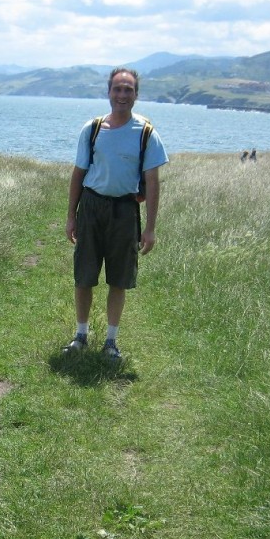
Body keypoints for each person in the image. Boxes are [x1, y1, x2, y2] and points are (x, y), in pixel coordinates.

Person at [63, 67, 169, 359]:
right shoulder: (93, 129)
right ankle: (81, 335)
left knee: (119, 279)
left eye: (129, 90)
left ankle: (111, 342)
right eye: (118, 89)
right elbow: (78, 173)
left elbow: (152, 181)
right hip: (92, 206)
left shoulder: (146, 133)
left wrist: (150, 228)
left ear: (136, 95)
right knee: (84, 275)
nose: (122, 95)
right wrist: (71, 215)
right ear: (109, 92)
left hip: (124, 210)